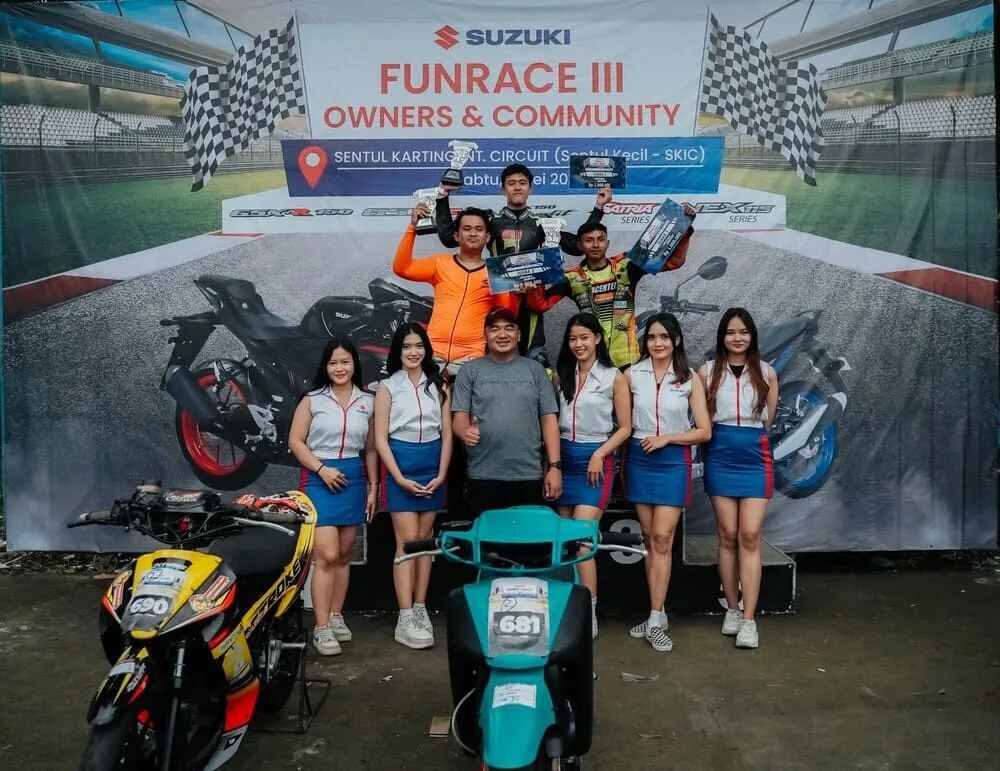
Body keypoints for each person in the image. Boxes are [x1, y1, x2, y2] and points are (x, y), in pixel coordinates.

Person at [435, 163, 612, 366]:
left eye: (522, 183)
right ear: (502, 189)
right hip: (498, 301)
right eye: (511, 183)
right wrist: (443, 195)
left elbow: (577, 246)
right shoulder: (490, 221)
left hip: (531, 302)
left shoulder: (543, 223)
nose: (517, 187)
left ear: (530, 189)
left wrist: (598, 208)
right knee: (494, 365)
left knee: (537, 364)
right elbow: (449, 238)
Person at [625, 313, 711, 652]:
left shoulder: (689, 378)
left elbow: (704, 431)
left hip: (673, 460)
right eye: (651, 337)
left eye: (664, 337)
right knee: (650, 538)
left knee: (662, 538)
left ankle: (655, 618)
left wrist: (668, 439)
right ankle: (655, 613)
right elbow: (622, 422)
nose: (657, 343)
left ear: (676, 341)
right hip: (639, 458)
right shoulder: (631, 375)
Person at [289, 338, 379, 656]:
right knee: (326, 556)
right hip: (319, 480)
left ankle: (336, 615)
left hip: (353, 479)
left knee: (343, 556)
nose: (339, 368)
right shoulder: (312, 400)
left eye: (345, 362)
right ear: (325, 367)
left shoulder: (368, 401)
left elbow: (371, 448)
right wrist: (322, 469)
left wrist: (373, 486)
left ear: (354, 364)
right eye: (333, 363)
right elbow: (296, 442)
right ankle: (322, 626)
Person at [698, 308, 778, 650]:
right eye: (731, 332)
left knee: (750, 535)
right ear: (722, 337)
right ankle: (732, 608)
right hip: (720, 456)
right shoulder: (706, 372)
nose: (737, 338)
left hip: (755, 459)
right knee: (728, 535)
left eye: (743, 332)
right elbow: (701, 419)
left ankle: (749, 620)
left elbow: (768, 421)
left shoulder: (767, 372)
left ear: (752, 336)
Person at [528, 211, 696, 370]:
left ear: (607, 243)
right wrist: (533, 283)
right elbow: (539, 305)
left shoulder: (627, 265)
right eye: (589, 240)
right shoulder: (571, 278)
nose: (595, 245)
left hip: (629, 363)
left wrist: (684, 228)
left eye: (600, 239)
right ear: (580, 246)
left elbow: (675, 261)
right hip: (594, 366)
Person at [373, 323, 452, 650]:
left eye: (419, 345)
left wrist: (442, 473)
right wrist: (399, 477)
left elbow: (447, 434)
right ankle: (405, 617)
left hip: (432, 466)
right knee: (406, 544)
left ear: (426, 349)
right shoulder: (387, 387)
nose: (413, 352)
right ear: (398, 351)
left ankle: (420, 608)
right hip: (400, 466)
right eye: (407, 346)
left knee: (425, 542)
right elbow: (380, 439)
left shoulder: (439, 384)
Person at [553, 312, 631, 638]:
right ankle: (565, 607)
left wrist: (600, 454)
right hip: (564, 461)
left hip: (595, 463)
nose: (578, 344)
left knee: (582, 542)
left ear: (597, 338)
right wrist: (552, 466)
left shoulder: (614, 377)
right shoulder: (561, 375)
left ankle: (588, 611)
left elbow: (625, 427)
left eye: (584, 337)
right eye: (573, 339)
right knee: (564, 543)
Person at [452, 306, 562, 518]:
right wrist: (465, 432)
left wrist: (555, 467)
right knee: (486, 538)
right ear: (484, 335)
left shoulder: (536, 371)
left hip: (529, 476)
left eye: (509, 328)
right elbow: (459, 419)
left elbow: (549, 420)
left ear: (519, 335)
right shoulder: (469, 371)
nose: (502, 334)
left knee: (527, 539)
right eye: (494, 329)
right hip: (482, 476)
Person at [394, 205, 519, 377]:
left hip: (471, 355)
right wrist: (412, 228)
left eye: (479, 229)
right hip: (432, 350)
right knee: (420, 395)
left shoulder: (496, 272)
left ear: (487, 237)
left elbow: (506, 314)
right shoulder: (439, 263)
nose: (473, 233)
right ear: (456, 235)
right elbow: (402, 268)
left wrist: (516, 295)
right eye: (467, 229)